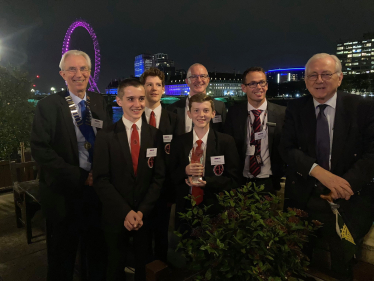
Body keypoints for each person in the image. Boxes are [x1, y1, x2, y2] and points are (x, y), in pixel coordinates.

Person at [280, 53, 374, 280]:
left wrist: (344, 184)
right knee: (296, 259)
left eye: (326, 74)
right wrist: (321, 174)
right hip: (304, 196)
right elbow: (287, 149)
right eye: (312, 75)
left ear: (340, 78)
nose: (319, 80)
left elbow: (372, 153)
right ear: (305, 80)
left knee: (344, 264)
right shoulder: (295, 108)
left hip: (348, 198)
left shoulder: (363, 107)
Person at [30, 50, 110, 281]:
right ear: (62, 74)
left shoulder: (99, 101)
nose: (78, 74)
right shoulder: (48, 105)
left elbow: (108, 140)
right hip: (63, 193)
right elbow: (41, 150)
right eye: (72, 69)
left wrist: (101, 173)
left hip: (96, 190)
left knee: (96, 250)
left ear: (90, 72)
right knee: (62, 256)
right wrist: (80, 176)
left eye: (83, 68)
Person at [93, 78, 165, 281]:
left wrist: (141, 211)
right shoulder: (106, 136)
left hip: (145, 216)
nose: (137, 104)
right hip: (116, 216)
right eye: (131, 99)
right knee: (115, 265)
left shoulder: (155, 135)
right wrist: (126, 212)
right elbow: (101, 179)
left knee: (143, 264)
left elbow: (158, 177)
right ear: (119, 101)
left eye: (141, 99)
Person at [170, 93, 240, 230]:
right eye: (196, 110)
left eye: (206, 110)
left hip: (216, 208)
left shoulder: (226, 142)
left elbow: (234, 179)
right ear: (189, 114)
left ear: (213, 114)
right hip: (186, 209)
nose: (201, 115)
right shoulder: (179, 142)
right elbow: (170, 175)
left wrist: (208, 182)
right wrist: (185, 171)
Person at [224, 67, 286, 194]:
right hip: (241, 181)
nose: (258, 87)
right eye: (252, 83)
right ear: (243, 88)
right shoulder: (234, 113)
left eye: (262, 82)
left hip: (270, 182)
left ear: (267, 86)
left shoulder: (282, 114)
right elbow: (228, 148)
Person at [139, 68, 179, 263]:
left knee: (162, 235)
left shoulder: (174, 119)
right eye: (149, 84)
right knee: (142, 238)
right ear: (143, 88)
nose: (154, 89)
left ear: (163, 89)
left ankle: (161, 270)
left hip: (164, 191)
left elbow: (177, 158)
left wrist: (173, 192)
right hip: (139, 189)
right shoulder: (134, 116)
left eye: (158, 85)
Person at [167, 63, 226, 134]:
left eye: (202, 76)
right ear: (187, 82)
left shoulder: (219, 107)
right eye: (194, 77)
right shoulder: (172, 109)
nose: (199, 80)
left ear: (208, 80)